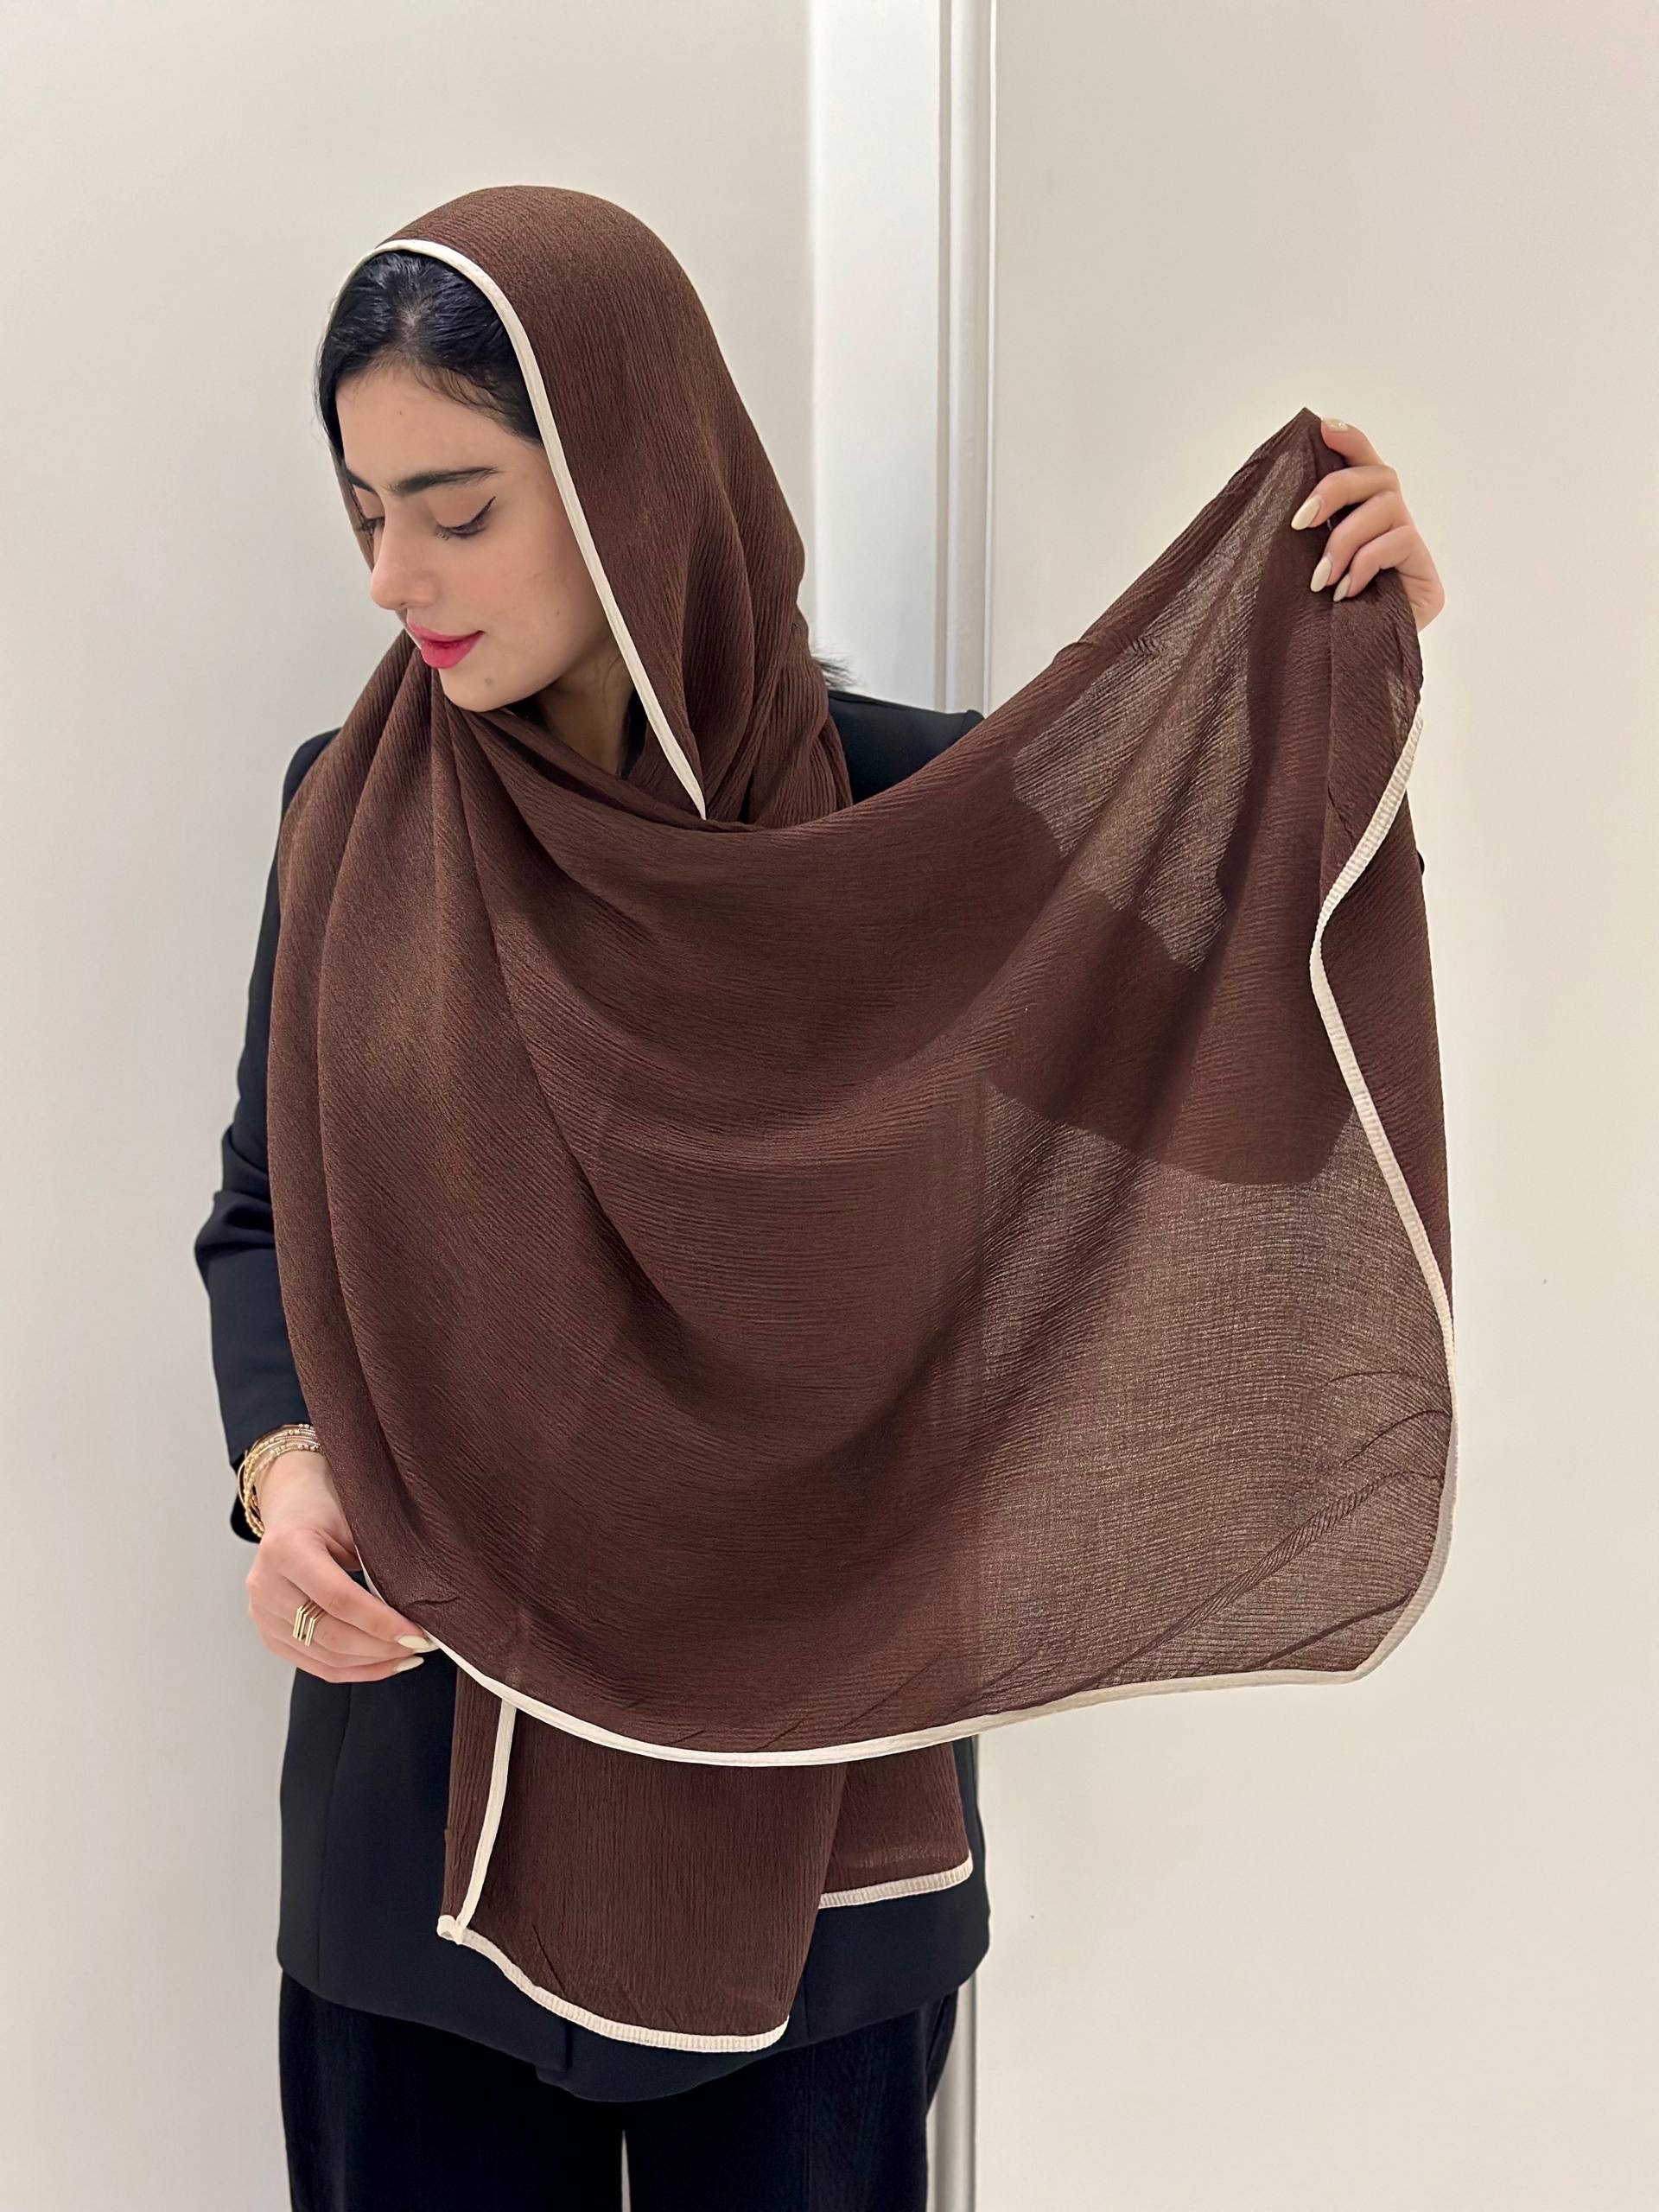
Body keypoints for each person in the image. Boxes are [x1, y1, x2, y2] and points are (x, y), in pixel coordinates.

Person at [193, 239, 990, 2211]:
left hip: (806, 1818)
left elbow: (1213, 1022)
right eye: (365, 512)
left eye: (456, 509)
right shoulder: (343, 817)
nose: (393, 576)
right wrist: (285, 1469)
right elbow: (266, 1212)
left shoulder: (913, 817)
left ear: (634, 477)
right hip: (419, 1815)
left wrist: (1353, 658)